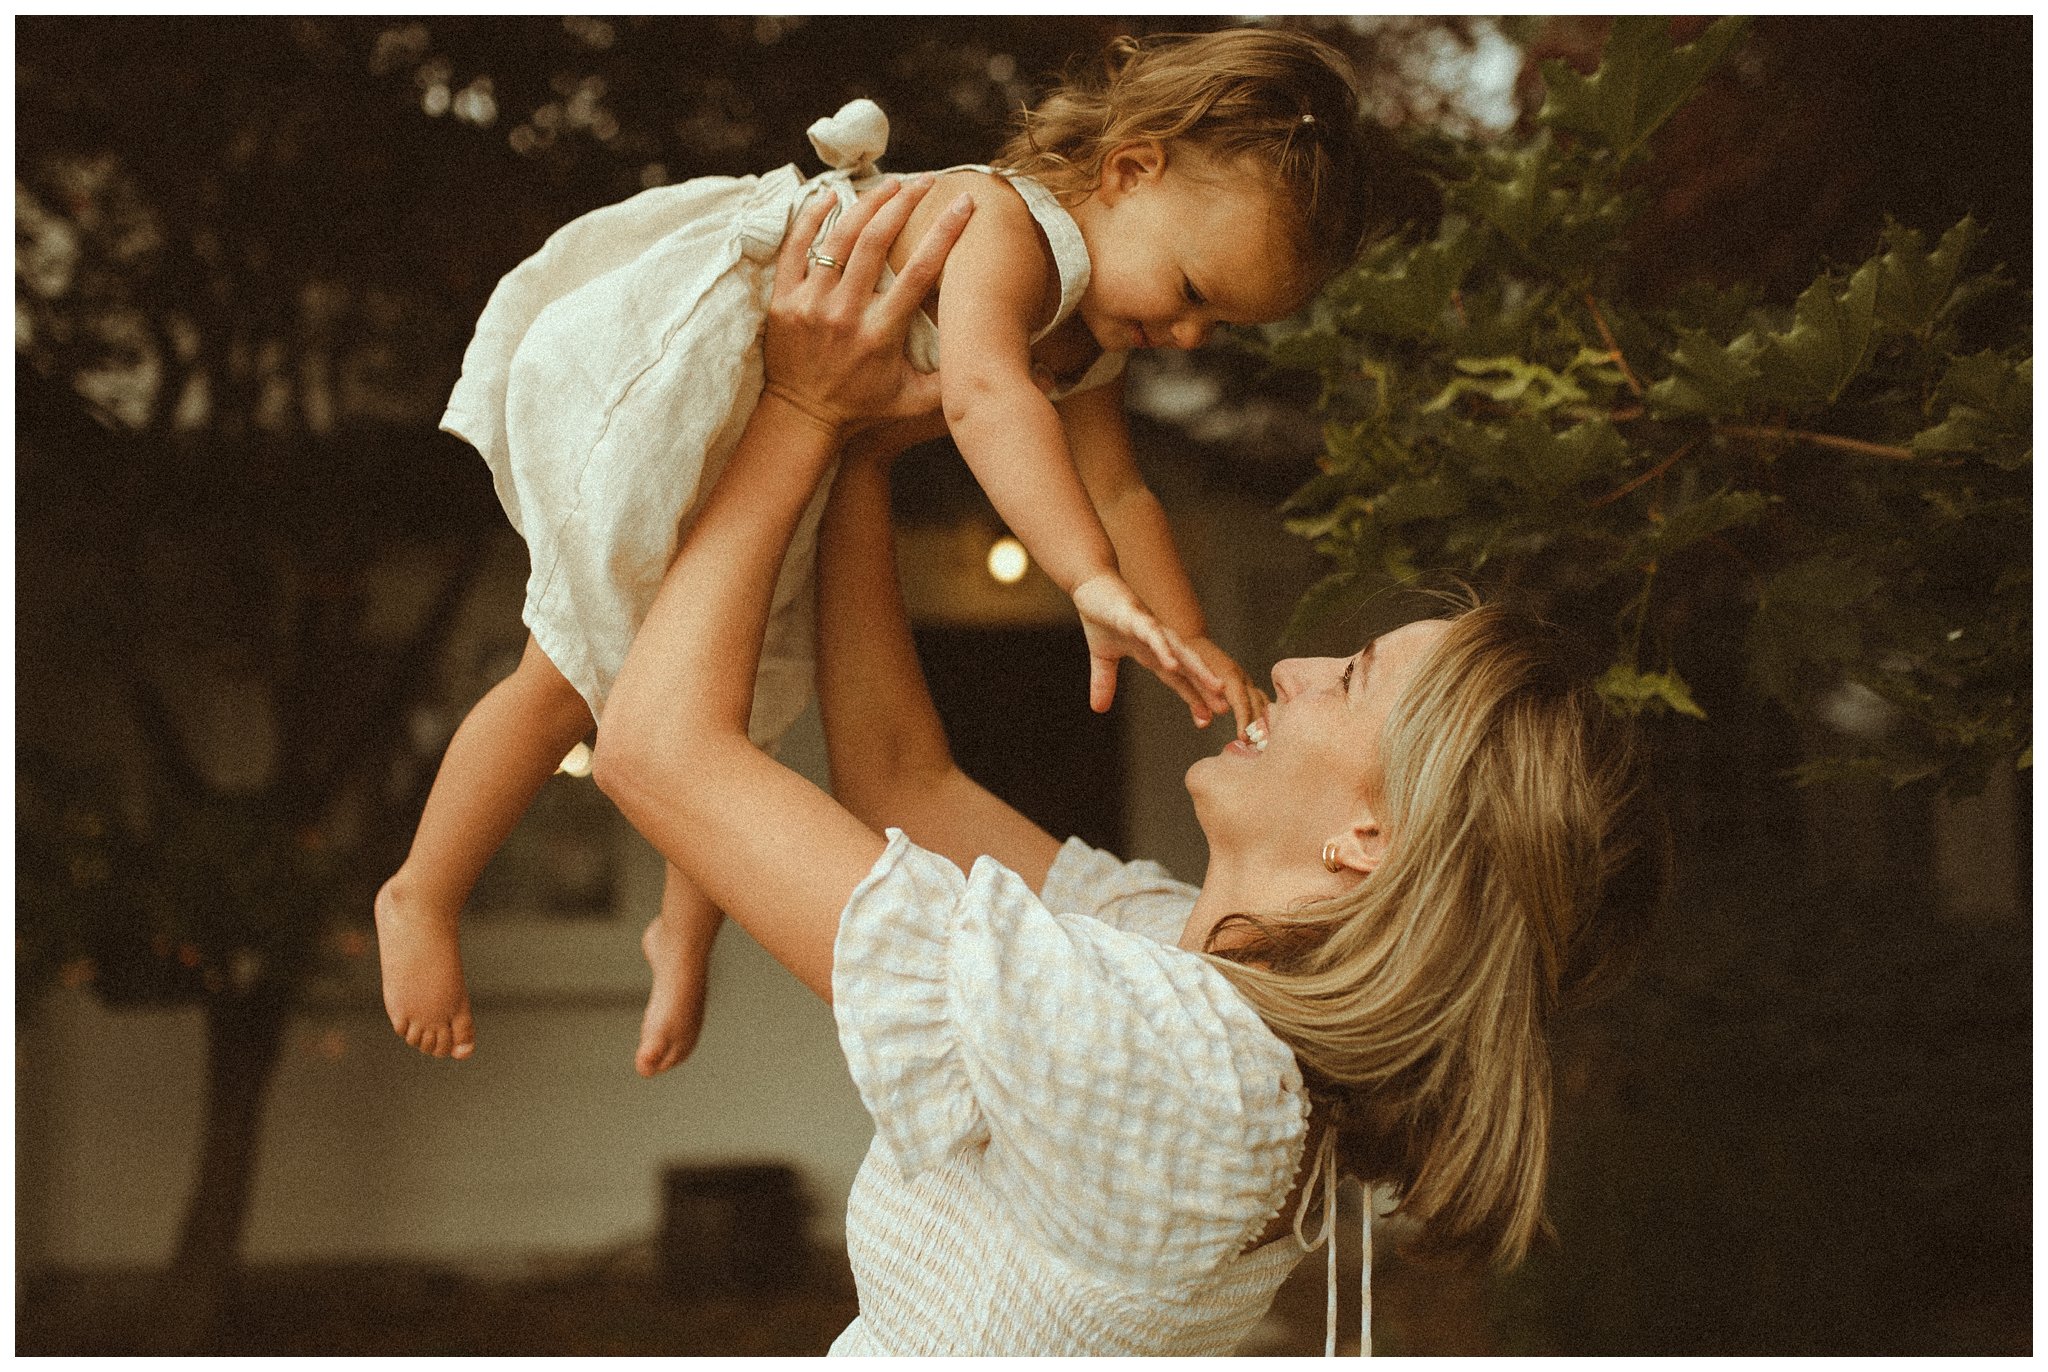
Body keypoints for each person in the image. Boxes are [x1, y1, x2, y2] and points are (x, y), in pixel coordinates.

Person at [593, 162, 1654, 1355]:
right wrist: (862, 456)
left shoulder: (1180, 1076)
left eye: (1349, 680)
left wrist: (796, 412)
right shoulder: (1182, 970)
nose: (1295, 669)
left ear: (1372, 839)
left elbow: (655, 753)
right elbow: (902, 782)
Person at [376, 27, 1375, 1071]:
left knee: (738, 694)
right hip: (701, 393)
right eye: (1192, 293)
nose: (1187, 338)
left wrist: (1182, 637)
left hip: (788, 434)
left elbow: (1121, 491)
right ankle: (424, 890)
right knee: (570, 674)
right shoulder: (1004, 227)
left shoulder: (1089, 331)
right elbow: (985, 397)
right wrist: (1082, 580)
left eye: (1219, 327)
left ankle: (682, 929)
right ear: (1129, 172)